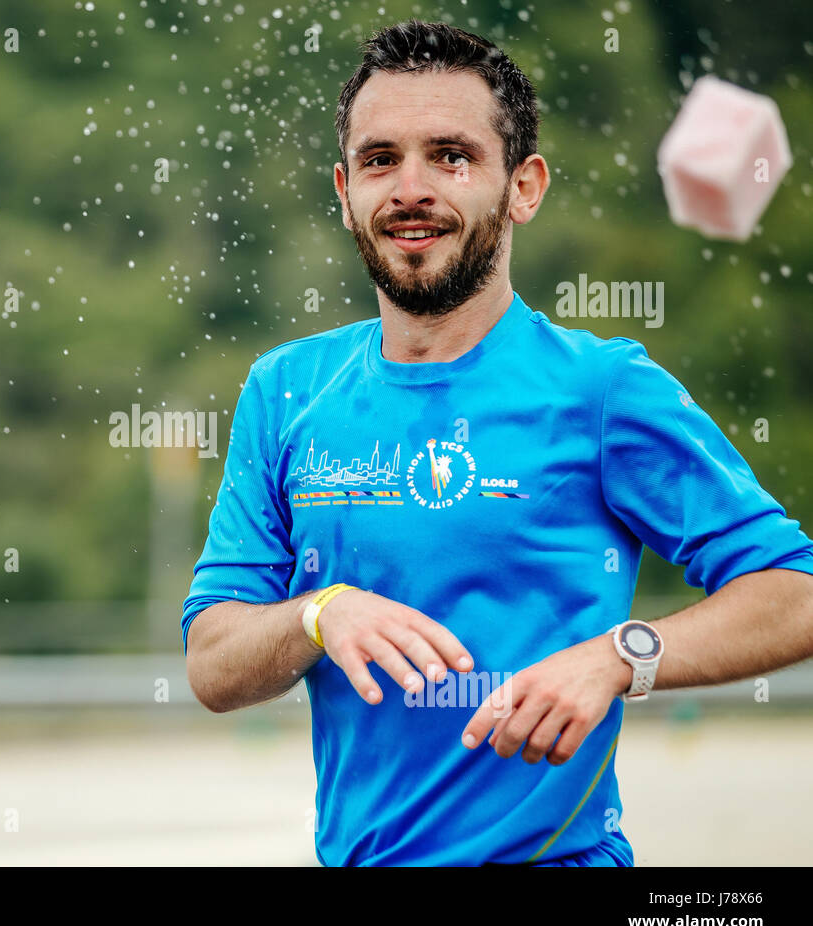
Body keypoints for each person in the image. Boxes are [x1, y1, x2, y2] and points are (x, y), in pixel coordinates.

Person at [180, 19, 813, 867]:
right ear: (343, 189)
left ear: (524, 186)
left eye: (451, 156)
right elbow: (214, 665)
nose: (410, 188)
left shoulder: (600, 388)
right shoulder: (285, 389)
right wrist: (317, 615)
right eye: (380, 160)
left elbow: (794, 592)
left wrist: (621, 658)